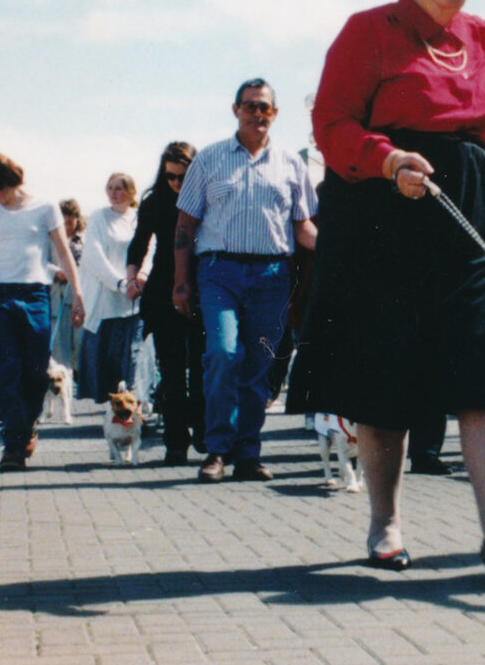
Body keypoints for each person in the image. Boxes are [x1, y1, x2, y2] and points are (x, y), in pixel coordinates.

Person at [296, 0, 485, 571]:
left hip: (470, 217)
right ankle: (385, 525)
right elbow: (332, 122)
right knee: (386, 373)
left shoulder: (484, 35)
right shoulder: (366, 31)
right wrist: (387, 159)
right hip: (387, 212)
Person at [172, 79, 317, 484]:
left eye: (265, 108)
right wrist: (181, 282)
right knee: (221, 352)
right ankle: (217, 449)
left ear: (275, 113)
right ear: (235, 109)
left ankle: (248, 453)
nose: (257, 114)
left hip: (272, 274)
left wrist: (340, 256)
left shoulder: (291, 164)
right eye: (250, 106)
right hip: (219, 271)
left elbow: (303, 227)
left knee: (259, 366)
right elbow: (185, 224)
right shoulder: (210, 160)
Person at [0, 153, 84, 471]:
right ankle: (13, 445)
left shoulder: (44, 207)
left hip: (35, 295)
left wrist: (79, 292)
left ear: (9, 182)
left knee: (35, 372)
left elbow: (63, 252)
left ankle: (27, 425)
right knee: (6, 370)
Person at [128, 142, 202, 466]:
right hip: (162, 290)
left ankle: (203, 431)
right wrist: (131, 276)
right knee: (171, 372)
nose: (176, 184)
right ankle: (175, 443)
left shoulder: (207, 199)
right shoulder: (155, 202)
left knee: (201, 368)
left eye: (182, 177)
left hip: (202, 287)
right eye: (170, 176)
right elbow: (139, 243)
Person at [77, 173, 147, 404]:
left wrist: (140, 278)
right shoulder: (98, 217)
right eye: (110, 188)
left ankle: (136, 407)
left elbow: (149, 248)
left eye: (119, 188)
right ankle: (110, 409)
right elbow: (94, 255)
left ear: (130, 192)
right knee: (106, 360)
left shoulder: (139, 217)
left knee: (134, 359)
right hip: (106, 299)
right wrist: (120, 283)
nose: (114, 193)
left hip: (134, 298)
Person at [50, 199, 85, 375]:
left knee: (79, 342)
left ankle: (79, 377)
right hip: (58, 297)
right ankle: (62, 376)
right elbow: (43, 263)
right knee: (59, 345)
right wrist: (56, 272)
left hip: (80, 298)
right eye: (63, 222)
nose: (67, 226)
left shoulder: (85, 240)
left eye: (70, 221)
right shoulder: (50, 240)